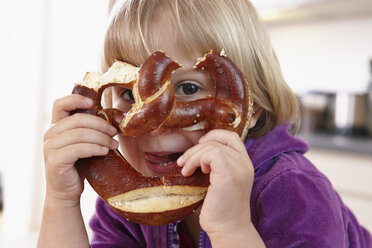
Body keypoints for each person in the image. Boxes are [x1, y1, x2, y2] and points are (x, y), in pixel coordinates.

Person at [38, 0, 372, 247]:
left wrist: (231, 228)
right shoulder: (133, 198)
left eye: (188, 88)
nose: (154, 126)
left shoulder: (292, 190)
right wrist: (61, 201)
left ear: (248, 108)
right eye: (127, 93)